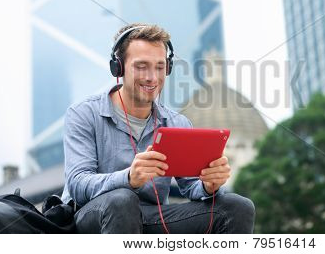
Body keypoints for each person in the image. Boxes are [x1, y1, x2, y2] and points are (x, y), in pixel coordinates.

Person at [60, 23, 255, 233]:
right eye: (141, 66)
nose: (152, 77)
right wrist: (128, 178)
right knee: (122, 200)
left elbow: (190, 187)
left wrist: (209, 185)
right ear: (118, 67)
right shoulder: (83, 113)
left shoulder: (178, 123)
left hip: (152, 217)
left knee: (239, 207)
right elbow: (77, 184)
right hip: (93, 217)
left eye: (160, 67)